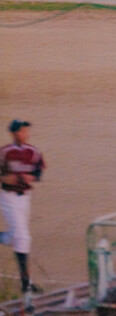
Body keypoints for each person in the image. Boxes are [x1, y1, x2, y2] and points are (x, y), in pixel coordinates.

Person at [0, 120, 46, 307]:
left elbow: (39, 173)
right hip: (8, 196)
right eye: (22, 131)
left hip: (25, 197)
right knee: (23, 237)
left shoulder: (33, 151)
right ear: (14, 133)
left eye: (26, 130)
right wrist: (5, 177)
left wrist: (32, 177)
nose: (25, 133)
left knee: (15, 236)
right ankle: (26, 286)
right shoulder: (4, 152)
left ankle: (28, 282)